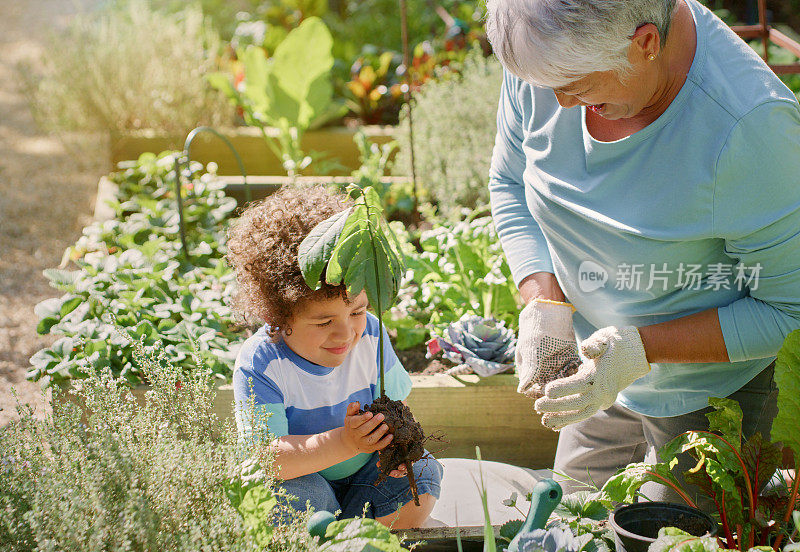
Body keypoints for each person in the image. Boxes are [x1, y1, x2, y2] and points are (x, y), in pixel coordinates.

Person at [484, 0, 800, 505]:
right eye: (547, 86)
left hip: (717, 393)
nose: (559, 103)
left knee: (674, 534)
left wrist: (642, 349)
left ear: (646, 43)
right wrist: (543, 300)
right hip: (599, 375)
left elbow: (790, 312)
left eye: (579, 86)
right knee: (567, 519)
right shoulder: (549, 52)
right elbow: (508, 181)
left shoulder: (747, 129)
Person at [226, 186, 442, 528]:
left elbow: (394, 406)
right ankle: (336, 530)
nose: (346, 334)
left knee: (424, 474)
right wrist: (344, 441)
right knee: (284, 499)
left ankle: (349, 530)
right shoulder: (263, 363)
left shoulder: (370, 333)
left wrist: (394, 447)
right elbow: (268, 459)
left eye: (357, 311)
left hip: (365, 475)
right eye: (324, 321)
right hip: (302, 479)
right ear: (279, 317)